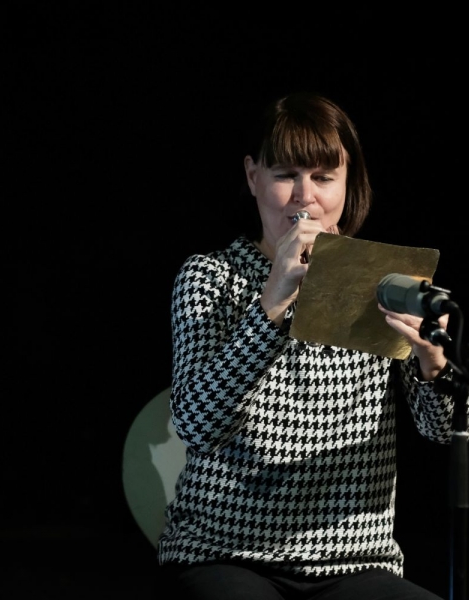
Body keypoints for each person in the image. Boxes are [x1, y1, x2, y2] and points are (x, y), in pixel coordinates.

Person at [156, 92, 456, 599]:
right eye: (284, 175)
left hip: (355, 559)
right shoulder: (210, 278)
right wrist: (273, 301)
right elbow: (195, 425)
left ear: (346, 184)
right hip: (225, 553)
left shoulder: (382, 281)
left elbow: (443, 431)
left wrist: (433, 361)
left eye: (322, 177)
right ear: (253, 177)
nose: (304, 196)